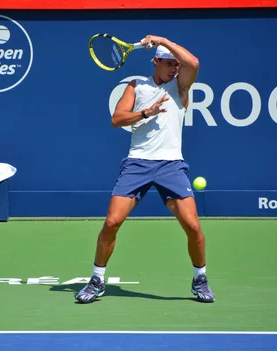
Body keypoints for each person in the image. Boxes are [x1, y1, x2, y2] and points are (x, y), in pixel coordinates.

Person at [75, 35, 214, 304]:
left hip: (171, 165)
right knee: (112, 222)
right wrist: (145, 113)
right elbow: (117, 119)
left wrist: (162, 39)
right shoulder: (136, 86)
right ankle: (96, 279)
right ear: (156, 61)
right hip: (137, 163)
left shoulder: (181, 88)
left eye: (176, 64)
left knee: (193, 227)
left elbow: (193, 62)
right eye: (169, 63)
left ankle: (200, 279)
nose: (175, 68)